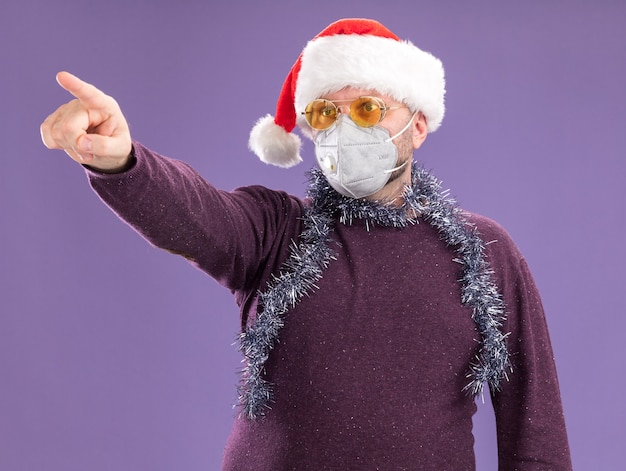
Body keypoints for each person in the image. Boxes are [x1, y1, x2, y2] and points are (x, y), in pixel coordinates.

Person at [40, 18, 572, 471]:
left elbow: (536, 431)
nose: (344, 129)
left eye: (367, 109)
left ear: (418, 126)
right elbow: (193, 214)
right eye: (324, 114)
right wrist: (119, 158)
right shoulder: (274, 230)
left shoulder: (484, 252)